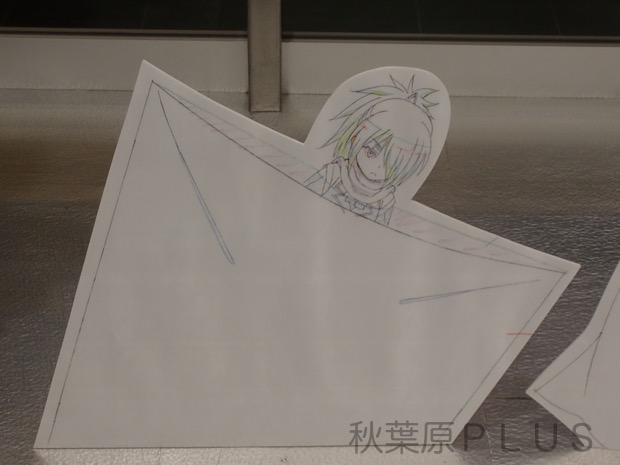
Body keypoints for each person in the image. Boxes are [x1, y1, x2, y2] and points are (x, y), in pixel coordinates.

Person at [305, 75, 437, 226]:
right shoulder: (333, 173)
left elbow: (381, 233)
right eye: (372, 152)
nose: (378, 167)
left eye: (391, 163)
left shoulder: (385, 200)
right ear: (355, 138)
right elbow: (303, 201)